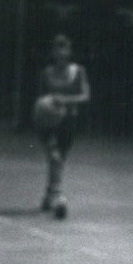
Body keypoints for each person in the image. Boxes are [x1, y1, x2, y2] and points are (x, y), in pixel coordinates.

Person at [37, 34, 90, 219]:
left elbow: (85, 95)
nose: (61, 52)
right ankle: (58, 196)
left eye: (64, 48)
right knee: (54, 156)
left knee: (59, 159)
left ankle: (49, 193)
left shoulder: (78, 71)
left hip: (68, 120)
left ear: (69, 51)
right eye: (57, 48)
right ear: (53, 52)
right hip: (49, 121)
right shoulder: (47, 73)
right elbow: (40, 100)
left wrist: (65, 99)